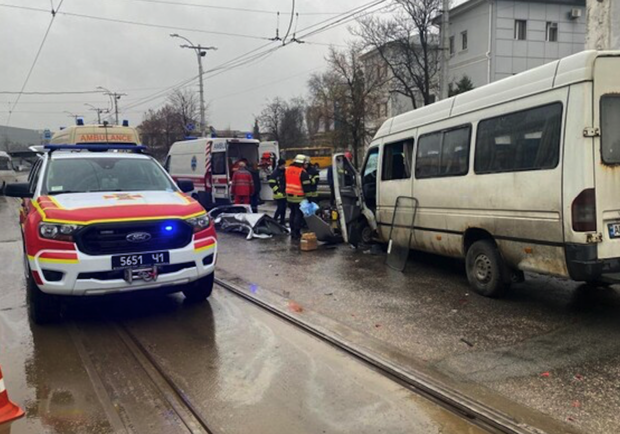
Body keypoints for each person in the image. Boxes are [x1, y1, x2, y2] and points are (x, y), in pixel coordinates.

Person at [285, 154, 312, 240]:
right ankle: (297, 232)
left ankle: (292, 231)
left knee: (292, 213)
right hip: (299, 196)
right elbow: (306, 187)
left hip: (289, 195)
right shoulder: (302, 172)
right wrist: (309, 198)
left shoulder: (288, 169)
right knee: (298, 214)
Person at [269, 159, 287, 225]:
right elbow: (271, 183)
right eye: (284, 164)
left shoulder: (285, 172)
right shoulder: (275, 173)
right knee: (280, 208)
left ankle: (282, 221)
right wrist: (277, 189)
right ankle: (274, 220)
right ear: (281, 165)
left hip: (285, 193)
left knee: (283, 209)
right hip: (278, 194)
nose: (285, 166)